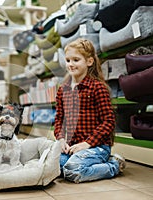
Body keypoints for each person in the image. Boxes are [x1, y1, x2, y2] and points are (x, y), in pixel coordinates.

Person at [54, 38, 126, 183]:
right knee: (53, 166)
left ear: (89, 62)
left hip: (97, 147)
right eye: (68, 60)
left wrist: (87, 143)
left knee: (73, 170)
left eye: (76, 60)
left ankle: (114, 165)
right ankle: (91, 163)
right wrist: (61, 139)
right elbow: (59, 119)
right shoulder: (63, 89)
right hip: (73, 148)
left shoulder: (98, 88)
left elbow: (109, 121)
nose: (71, 64)